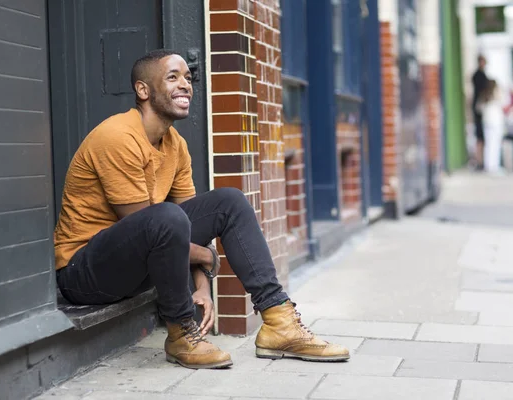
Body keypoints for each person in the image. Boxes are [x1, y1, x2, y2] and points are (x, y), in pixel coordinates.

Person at [53, 49, 349, 370]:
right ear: (143, 90)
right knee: (164, 218)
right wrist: (208, 257)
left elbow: (187, 229)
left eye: (188, 78)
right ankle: (181, 332)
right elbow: (148, 226)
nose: (186, 85)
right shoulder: (117, 136)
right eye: (173, 77)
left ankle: (279, 321)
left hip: (135, 264)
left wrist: (203, 287)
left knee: (228, 201)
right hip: (83, 272)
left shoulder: (175, 144)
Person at [476, 79, 505, 175]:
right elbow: (504, 104)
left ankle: (489, 166)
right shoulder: (497, 95)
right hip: (496, 121)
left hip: (487, 121)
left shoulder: (483, 96)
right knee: (495, 144)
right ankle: (494, 166)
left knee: (488, 144)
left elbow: (478, 108)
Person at [472, 55, 489, 170]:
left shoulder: (477, 75)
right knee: (480, 136)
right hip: (480, 110)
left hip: (478, 108)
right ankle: (479, 161)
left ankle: (480, 160)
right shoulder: (479, 76)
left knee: (480, 137)